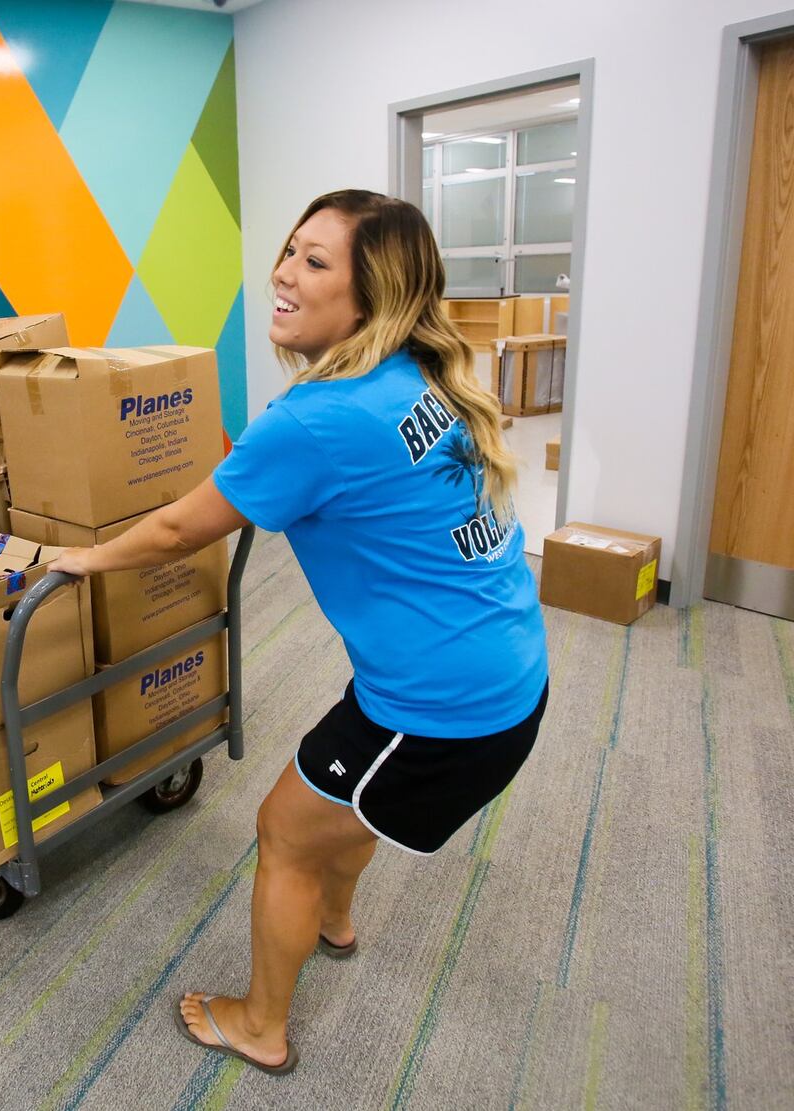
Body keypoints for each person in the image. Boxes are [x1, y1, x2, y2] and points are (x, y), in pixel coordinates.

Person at [47, 189, 549, 1076]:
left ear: (373, 296)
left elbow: (176, 531)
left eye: (316, 262)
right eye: (289, 250)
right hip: (502, 669)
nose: (283, 272)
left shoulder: (318, 418)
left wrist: (81, 560)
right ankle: (334, 918)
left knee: (284, 827)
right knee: (343, 799)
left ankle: (259, 1024)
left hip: (442, 707)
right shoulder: (419, 374)